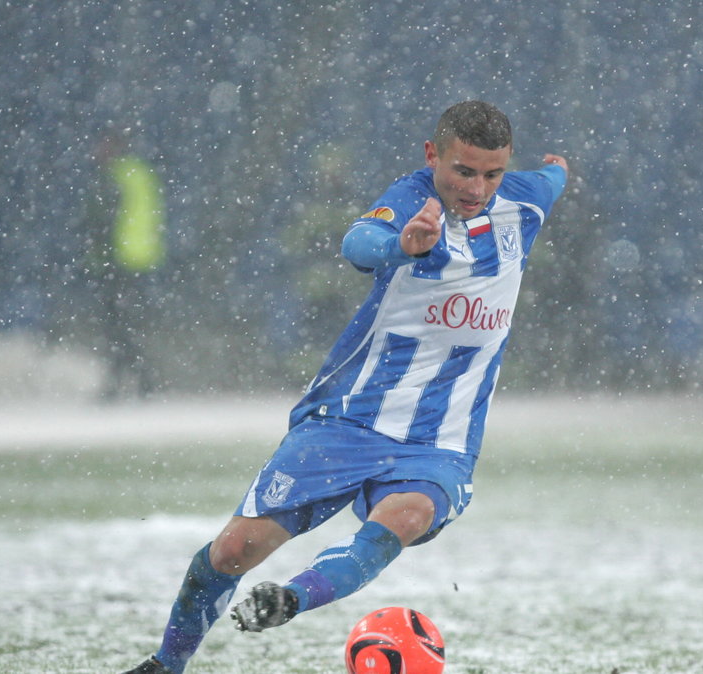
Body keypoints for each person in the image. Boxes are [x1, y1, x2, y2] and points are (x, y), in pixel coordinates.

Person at [122, 100, 568, 674]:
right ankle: (166, 666)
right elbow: (358, 243)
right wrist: (401, 247)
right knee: (234, 550)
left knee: (402, 521)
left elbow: (552, 176)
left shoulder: (528, 197)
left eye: (492, 173)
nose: (477, 187)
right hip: (349, 417)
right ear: (433, 155)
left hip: (441, 439)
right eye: (463, 170)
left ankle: (290, 599)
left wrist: (558, 168)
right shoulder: (413, 200)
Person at [84, 130, 167, 399]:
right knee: (127, 326)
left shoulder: (114, 178)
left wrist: (96, 256)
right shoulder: (141, 173)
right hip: (140, 259)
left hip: (118, 262)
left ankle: (128, 382)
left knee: (117, 328)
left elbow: (102, 222)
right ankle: (137, 381)